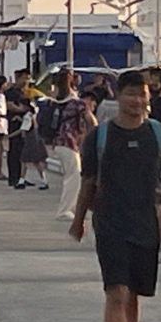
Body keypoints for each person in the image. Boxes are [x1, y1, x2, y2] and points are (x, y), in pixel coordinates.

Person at [70, 71, 161, 322]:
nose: (136, 100)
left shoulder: (159, 135)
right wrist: (78, 219)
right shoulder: (101, 136)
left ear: (149, 97)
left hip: (146, 224)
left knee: (133, 296)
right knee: (117, 292)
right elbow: (88, 181)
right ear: (118, 96)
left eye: (142, 94)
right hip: (110, 222)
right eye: (130, 93)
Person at [51, 69, 95, 220]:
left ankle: (73, 206)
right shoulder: (77, 103)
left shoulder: (57, 100)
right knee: (73, 176)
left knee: (72, 175)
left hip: (58, 141)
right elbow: (92, 121)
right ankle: (64, 210)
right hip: (69, 141)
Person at [4, 71, 32, 188]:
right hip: (14, 124)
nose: (27, 81)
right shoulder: (11, 92)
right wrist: (23, 109)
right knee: (14, 151)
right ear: (18, 78)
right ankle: (13, 177)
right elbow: (10, 106)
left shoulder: (25, 92)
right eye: (25, 78)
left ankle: (21, 177)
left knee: (22, 152)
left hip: (24, 124)